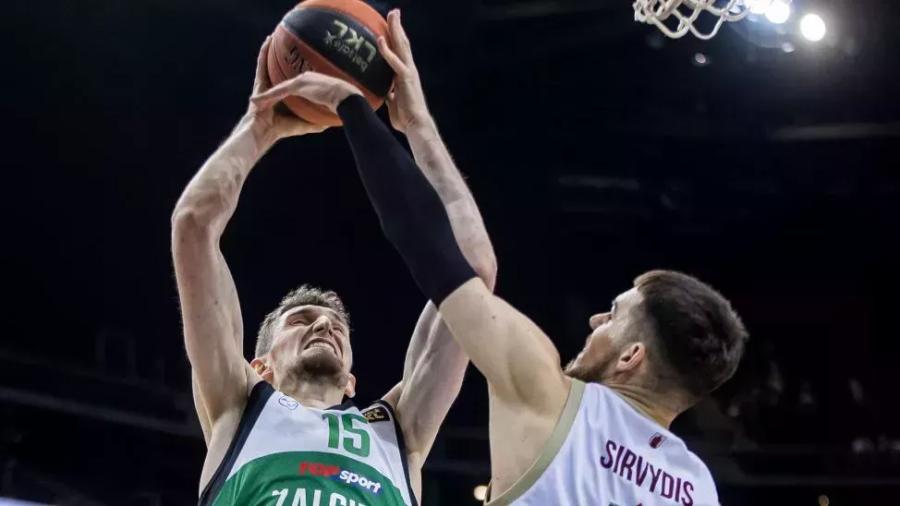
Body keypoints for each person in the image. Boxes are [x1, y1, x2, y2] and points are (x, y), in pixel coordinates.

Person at [262, 9, 749, 505]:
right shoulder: (698, 488)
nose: (596, 319)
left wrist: (376, 115)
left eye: (614, 315)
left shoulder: (551, 396)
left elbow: (440, 253)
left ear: (631, 356)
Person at [172, 21, 496, 506]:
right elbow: (194, 226)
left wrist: (417, 124)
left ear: (351, 381)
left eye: (336, 326)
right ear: (260, 366)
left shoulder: (397, 431)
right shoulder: (240, 407)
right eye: (300, 320)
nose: (323, 324)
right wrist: (259, 126)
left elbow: (473, 270)